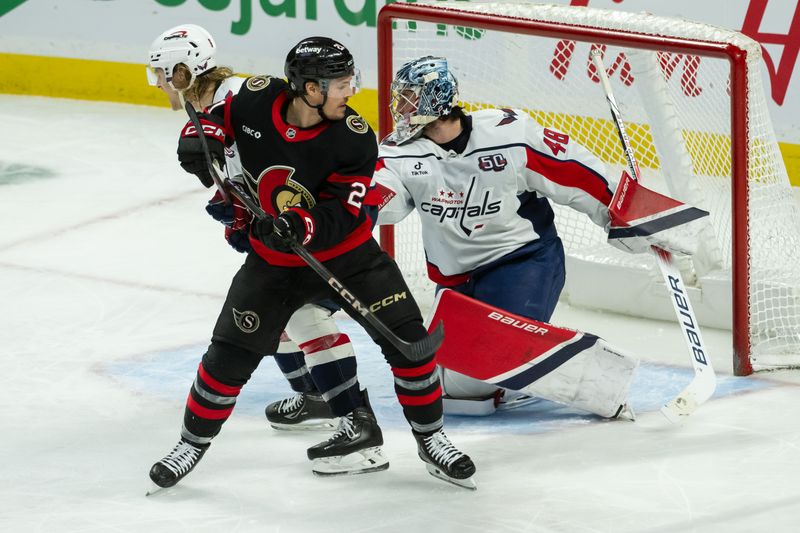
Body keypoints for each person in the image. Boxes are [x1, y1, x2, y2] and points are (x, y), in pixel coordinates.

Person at [147, 38, 476, 491]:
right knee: (227, 356)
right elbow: (220, 115)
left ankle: (432, 440)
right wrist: (200, 135)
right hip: (274, 264)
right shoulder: (259, 97)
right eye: (340, 85)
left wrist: (300, 224)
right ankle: (190, 444)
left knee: (410, 346)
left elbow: (344, 213)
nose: (350, 93)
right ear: (308, 88)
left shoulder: (355, 137)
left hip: (353, 258)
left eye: (349, 82)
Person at [373, 56, 697, 417]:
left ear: (435, 100)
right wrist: (346, 212)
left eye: (409, 98)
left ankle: (594, 381)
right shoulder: (400, 152)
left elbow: (577, 174)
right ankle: (514, 376)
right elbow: (381, 199)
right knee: (451, 392)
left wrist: (627, 216)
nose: (400, 107)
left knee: (474, 379)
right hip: (457, 280)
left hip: (524, 263)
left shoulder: (508, 134)